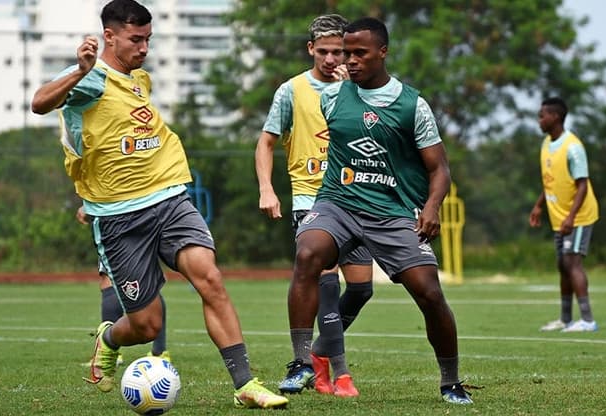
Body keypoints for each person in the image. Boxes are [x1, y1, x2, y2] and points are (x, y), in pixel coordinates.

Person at [31, 0, 288, 409]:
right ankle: (109, 337)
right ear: (109, 36)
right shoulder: (89, 77)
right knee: (147, 325)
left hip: (169, 196)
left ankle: (245, 384)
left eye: (149, 39)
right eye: (136, 39)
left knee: (210, 278)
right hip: (119, 217)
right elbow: (40, 102)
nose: (144, 48)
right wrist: (80, 71)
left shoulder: (140, 80)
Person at [288, 16, 473, 405]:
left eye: (359, 53)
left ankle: (451, 381)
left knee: (429, 293)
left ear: (383, 53)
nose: (349, 60)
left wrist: (432, 207)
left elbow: (439, 168)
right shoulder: (333, 97)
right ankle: (302, 362)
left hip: (393, 212)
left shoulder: (412, 105)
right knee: (308, 252)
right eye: (345, 53)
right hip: (338, 203)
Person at [255, 14, 373, 397]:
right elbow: (267, 142)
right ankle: (330, 372)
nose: (331, 59)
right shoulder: (291, 91)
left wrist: (350, 95)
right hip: (312, 199)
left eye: (338, 51)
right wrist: (266, 189)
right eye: (323, 51)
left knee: (361, 289)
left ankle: (317, 354)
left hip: (356, 198)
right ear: (310, 49)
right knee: (325, 281)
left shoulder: (360, 88)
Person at [530, 97, 599, 333]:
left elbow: (582, 185)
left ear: (555, 117)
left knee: (572, 263)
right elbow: (551, 181)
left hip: (579, 216)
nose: (539, 120)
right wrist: (539, 205)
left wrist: (571, 217)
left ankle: (588, 320)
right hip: (560, 218)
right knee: (563, 265)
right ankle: (566, 319)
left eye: (542, 115)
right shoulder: (546, 144)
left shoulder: (573, 147)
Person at [75, 206, 169, 363]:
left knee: (108, 278)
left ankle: (110, 354)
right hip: (151, 211)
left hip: (118, 215)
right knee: (148, 283)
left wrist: (90, 205)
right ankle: (160, 352)